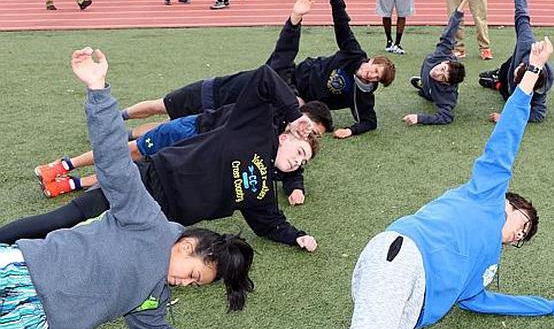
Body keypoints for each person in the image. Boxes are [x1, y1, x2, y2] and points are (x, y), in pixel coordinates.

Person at [243, 38, 554, 329]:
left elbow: (481, 301)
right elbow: (506, 137)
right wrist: (532, 72)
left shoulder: (486, 264)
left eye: (520, 240)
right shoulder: (487, 194)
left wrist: (544, 306)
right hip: (405, 256)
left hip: (414, 301)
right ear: (511, 206)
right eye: (520, 227)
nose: (515, 238)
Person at [0, 48, 253, 329]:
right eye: (192, 275)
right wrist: (98, 91)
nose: (184, 284)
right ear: (187, 246)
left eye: (194, 286)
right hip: (22, 275)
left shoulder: (154, 294)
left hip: (30, 322)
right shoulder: (147, 222)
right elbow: (115, 165)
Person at [0, 63, 319, 252]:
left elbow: (270, 225)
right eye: (301, 151)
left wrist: (298, 237)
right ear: (285, 136)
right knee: (64, 220)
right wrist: (294, 114)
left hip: (158, 222)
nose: (298, 162)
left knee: (86, 247)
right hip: (142, 181)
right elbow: (265, 76)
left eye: (303, 163)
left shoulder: (262, 194)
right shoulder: (253, 129)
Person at [120, 0, 395, 140]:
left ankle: (127, 136)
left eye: (377, 78)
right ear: (371, 61)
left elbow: (368, 120)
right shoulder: (278, 77)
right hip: (215, 91)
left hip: (222, 119)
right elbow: (285, 56)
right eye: (375, 69)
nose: (372, 75)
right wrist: (298, 17)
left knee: (170, 129)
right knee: (163, 105)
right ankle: (121, 116)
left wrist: (348, 129)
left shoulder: (277, 117)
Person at [33, 100, 331, 202]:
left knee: (137, 174)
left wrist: (296, 187)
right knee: (131, 151)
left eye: (312, 134)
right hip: (190, 132)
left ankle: (70, 184)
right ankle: (64, 165)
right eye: (309, 127)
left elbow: (292, 167)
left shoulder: (288, 149)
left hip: (193, 159)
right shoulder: (274, 112)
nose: (307, 132)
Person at [478, 0, 554, 123]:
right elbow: (522, 12)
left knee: (509, 97)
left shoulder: (539, 89)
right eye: (518, 70)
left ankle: (498, 85)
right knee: (506, 67)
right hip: (512, 63)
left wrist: (506, 117)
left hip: (513, 90)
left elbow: (538, 115)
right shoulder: (527, 44)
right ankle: (500, 73)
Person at [402, 0, 478, 126]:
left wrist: (419, 118)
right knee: (427, 82)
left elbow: (446, 117)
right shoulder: (442, 53)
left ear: (447, 84)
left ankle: (426, 90)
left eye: (442, 77)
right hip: (428, 79)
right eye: (442, 68)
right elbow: (452, 26)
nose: (437, 73)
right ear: (445, 61)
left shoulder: (447, 95)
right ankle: (423, 85)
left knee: (429, 95)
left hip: (434, 93)